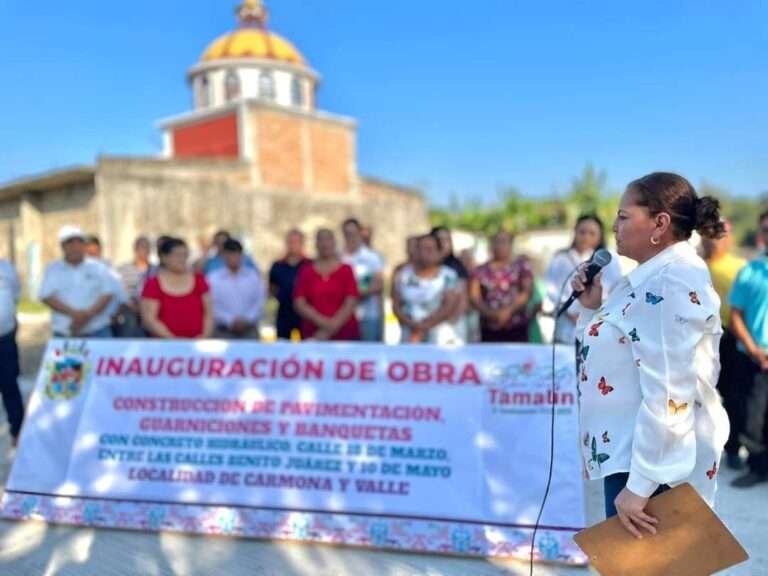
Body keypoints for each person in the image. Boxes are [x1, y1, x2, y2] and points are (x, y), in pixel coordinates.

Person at [572, 172, 729, 537]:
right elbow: (614, 351)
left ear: (660, 223)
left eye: (624, 217)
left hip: (652, 471)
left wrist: (640, 487)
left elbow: (671, 391)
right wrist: (591, 308)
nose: (614, 226)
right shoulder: (646, 278)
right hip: (634, 458)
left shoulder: (671, 281)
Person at [701, 221, 748, 470]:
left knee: (733, 395)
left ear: (728, 240)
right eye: (708, 235)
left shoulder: (739, 267)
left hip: (730, 338)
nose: (713, 239)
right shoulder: (694, 266)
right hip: (698, 338)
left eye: (719, 235)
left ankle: (732, 449)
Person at [728, 208, 768, 488]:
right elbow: (736, 315)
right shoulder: (751, 271)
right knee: (754, 418)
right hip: (755, 356)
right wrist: (754, 350)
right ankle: (757, 468)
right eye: (766, 229)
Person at [545, 214, 623, 344]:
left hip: (596, 325)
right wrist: (571, 313)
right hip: (565, 325)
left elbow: (614, 290)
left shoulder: (610, 260)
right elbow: (552, 289)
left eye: (592, 233)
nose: (586, 237)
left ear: (600, 236)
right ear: (575, 232)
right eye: (582, 232)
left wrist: (590, 310)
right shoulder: (560, 258)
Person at [40, 226, 115, 338]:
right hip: (65, 333)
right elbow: (46, 296)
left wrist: (87, 315)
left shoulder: (98, 267)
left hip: (98, 331)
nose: (76, 247)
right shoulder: (53, 269)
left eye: (80, 242)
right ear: (62, 246)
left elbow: (107, 293)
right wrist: (74, 314)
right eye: (70, 243)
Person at [392, 234, 462, 345]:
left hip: (439, 338)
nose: (424, 253)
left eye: (429, 249)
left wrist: (423, 327)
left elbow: (448, 306)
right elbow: (396, 305)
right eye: (420, 249)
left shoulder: (448, 276)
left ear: (439, 252)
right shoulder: (403, 275)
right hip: (409, 336)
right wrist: (412, 324)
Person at [293, 229, 360, 341]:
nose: (325, 244)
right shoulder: (306, 271)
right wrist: (323, 322)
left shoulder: (346, 270)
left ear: (334, 242)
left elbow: (351, 300)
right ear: (316, 244)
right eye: (321, 240)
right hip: (314, 334)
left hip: (345, 334)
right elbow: (299, 302)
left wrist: (332, 327)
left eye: (328, 239)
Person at [140, 237, 213, 339]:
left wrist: (203, 337)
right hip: (165, 348)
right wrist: (174, 340)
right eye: (177, 255)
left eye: (185, 255)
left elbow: (209, 313)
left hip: (197, 347)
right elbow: (149, 319)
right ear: (164, 257)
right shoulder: (153, 284)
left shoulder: (199, 280)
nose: (182, 259)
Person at [470, 230, 534, 343]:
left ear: (511, 245)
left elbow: (526, 292)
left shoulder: (522, 267)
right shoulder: (480, 270)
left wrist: (508, 311)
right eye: (496, 242)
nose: (499, 246)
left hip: (516, 326)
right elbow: (474, 297)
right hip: (489, 327)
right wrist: (491, 314)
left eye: (504, 242)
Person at [207, 239, 265, 339]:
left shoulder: (253, 277)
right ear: (223, 256)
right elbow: (211, 304)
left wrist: (246, 320)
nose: (234, 258)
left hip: (249, 330)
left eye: (236, 254)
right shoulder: (213, 279)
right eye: (230, 254)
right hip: (223, 331)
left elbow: (259, 301)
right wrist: (229, 321)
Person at [341, 218, 385, 342]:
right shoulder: (338, 257)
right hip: (344, 316)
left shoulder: (372, 257)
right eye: (347, 233)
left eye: (353, 233)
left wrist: (353, 293)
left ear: (359, 233)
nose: (350, 237)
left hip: (368, 315)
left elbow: (378, 285)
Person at [269, 230, 310, 340]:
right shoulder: (277, 265)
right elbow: (272, 288)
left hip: (305, 314)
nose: (293, 245)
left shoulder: (309, 264)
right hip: (284, 312)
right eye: (290, 241)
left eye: (296, 241)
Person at [0, 259, 24, 447]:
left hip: (5, 337)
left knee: (10, 384)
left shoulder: (7, 267)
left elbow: (15, 295)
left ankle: (18, 431)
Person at [116, 236, 156, 337]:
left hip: (151, 310)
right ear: (135, 249)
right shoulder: (123, 269)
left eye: (147, 247)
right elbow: (120, 291)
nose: (145, 250)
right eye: (142, 247)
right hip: (131, 309)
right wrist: (133, 306)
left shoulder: (156, 270)